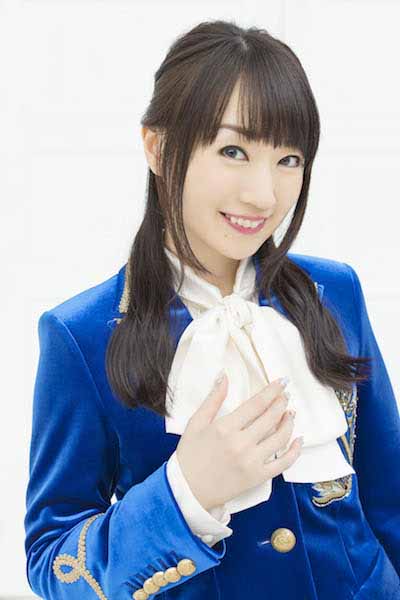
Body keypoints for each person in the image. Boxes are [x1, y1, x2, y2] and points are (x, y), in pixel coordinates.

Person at [24, 19, 400, 600]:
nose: (263, 195)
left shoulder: (334, 291)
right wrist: (185, 492)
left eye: (289, 159)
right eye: (233, 150)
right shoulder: (82, 335)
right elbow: (53, 566)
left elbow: (388, 495)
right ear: (158, 147)